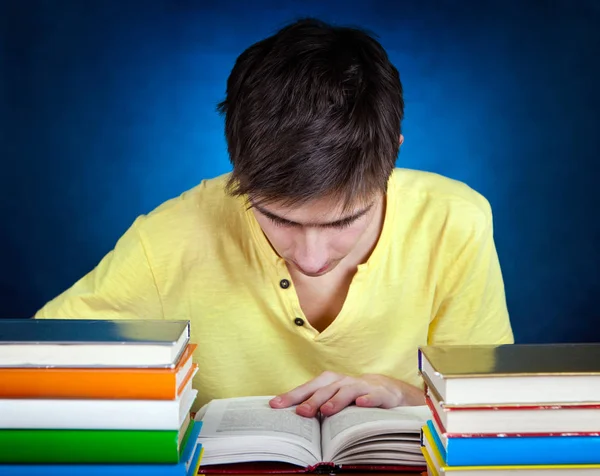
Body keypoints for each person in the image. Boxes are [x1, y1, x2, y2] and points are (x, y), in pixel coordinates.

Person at [35, 17, 514, 417]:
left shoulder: (455, 220)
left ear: (392, 159)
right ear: (237, 167)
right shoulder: (168, 238)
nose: (310, 257)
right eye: (279, 218)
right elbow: (36, 371)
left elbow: (489, 414)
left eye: (344, 221)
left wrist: (405, 397)